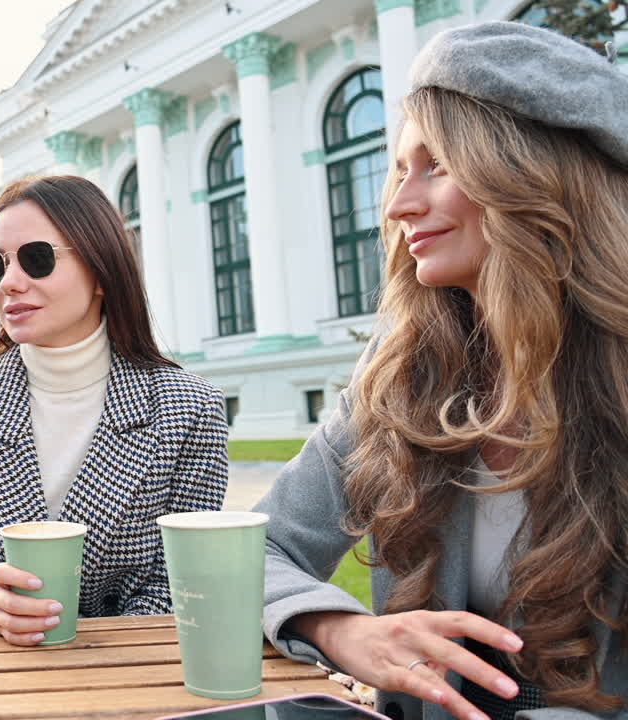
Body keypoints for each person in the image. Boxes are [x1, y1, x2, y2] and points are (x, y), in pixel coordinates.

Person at [257, 22, 628, 720]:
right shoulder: (400, 368)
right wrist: (343, 631)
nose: (398, 205)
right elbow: (260, 548)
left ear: (528, 176)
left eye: (437, 167)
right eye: (401, 170)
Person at [0, 174, 229, 644]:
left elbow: (182, 590)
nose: (9, 284)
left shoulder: (189, 410)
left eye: (37, 259)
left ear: (102, 271)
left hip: (134, 687)